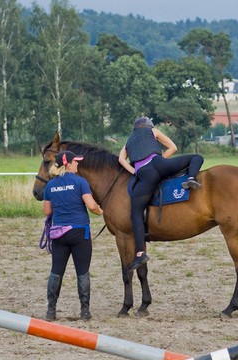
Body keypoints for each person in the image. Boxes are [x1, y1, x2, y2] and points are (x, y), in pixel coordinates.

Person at [118, 117, 204, 272]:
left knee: (136, 212)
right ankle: (191, 177)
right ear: (149, 126)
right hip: (161, 164)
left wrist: (135, 171)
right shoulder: (153, 131)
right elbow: (173, 147)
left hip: (145, 174)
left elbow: (121, 159)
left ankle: (140, 253)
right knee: (197, 157)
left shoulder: (129, 141)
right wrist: (161, 160)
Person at [41, 150, 103, 321]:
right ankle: (85, 311)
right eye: (76, 161)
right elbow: (91, 206)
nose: (77, 164)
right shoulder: (80, 182)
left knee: (56, 272)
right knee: (82, 272)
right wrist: (101, 211)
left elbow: (47, 211)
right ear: (68, 164)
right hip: (79, 232)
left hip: (59, 234)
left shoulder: (50, 185)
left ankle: (51, 311)